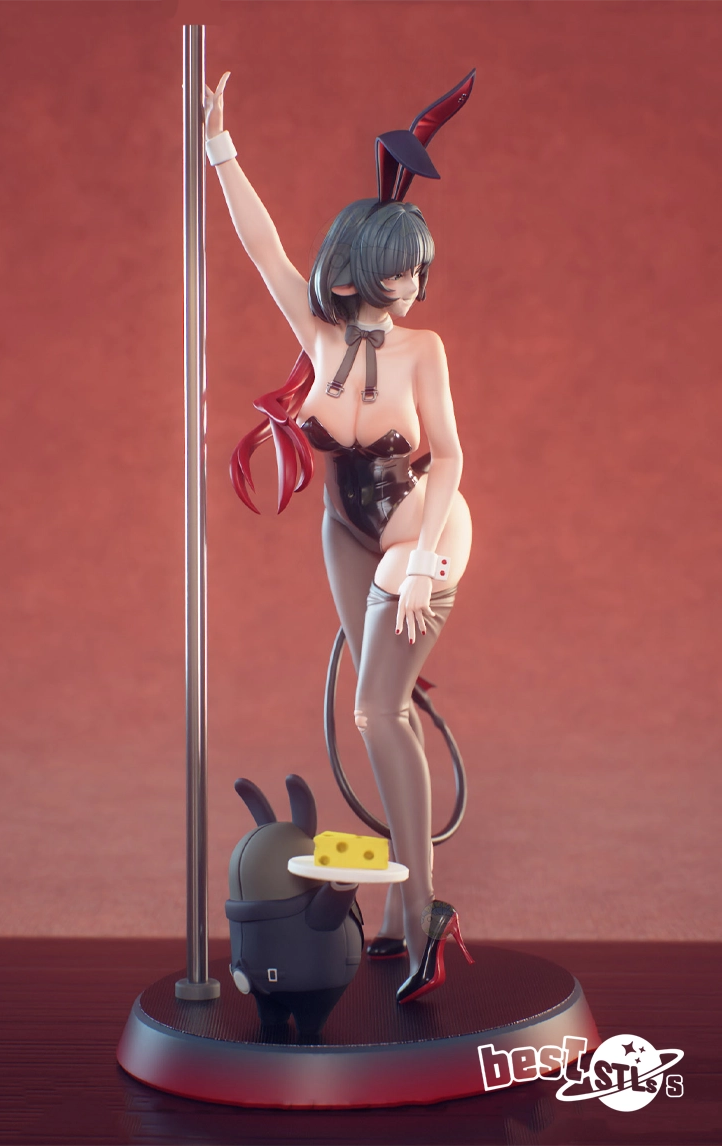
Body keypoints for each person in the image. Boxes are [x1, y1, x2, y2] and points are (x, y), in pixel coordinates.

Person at [204, 71, 474, 1003]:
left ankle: (425, 911)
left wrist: (420, 560)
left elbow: (450, 458)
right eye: (402, 269)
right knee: (381, 706)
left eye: (421, 271)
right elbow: (261, 245)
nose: (415, 286)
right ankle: (405, 906)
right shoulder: (317, 332)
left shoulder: (423, 350)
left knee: (375, 713)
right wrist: (220, 148)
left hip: (420, 525)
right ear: (357, 267)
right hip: (343, 530)